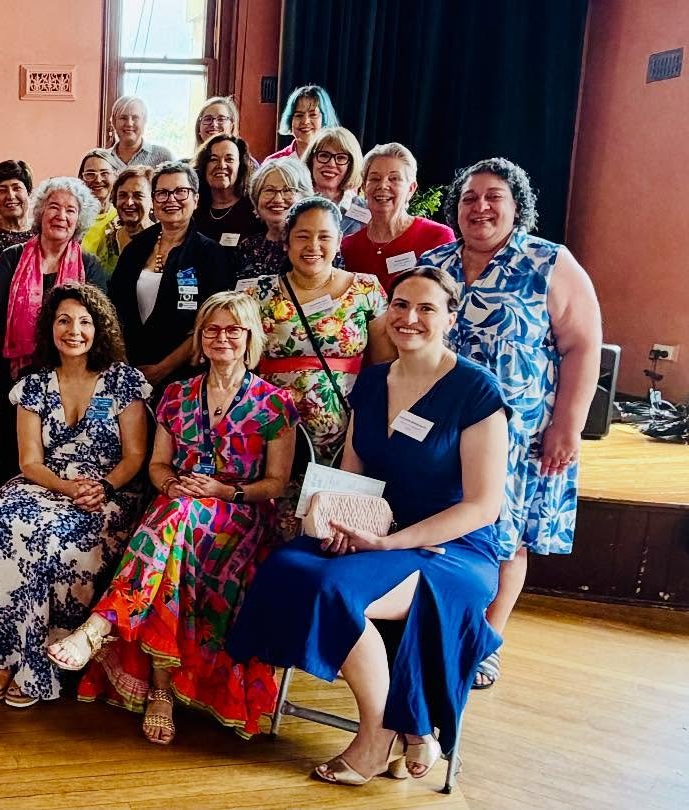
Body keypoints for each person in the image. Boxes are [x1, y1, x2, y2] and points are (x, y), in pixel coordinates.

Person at [226, 267, 511, 784]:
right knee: (288, 567)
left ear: (450, 317)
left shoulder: (475, 390)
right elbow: (354, 470)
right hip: (375, 528)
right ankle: (410, 728)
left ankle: (377, 734)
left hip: (451, 547)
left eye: (426, 308)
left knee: (332, 590)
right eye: (400, 305)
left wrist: (388, 542)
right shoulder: (375, 381)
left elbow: (483, 506)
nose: (409, 318)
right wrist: (335, 521)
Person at [48, 292, 298, 743]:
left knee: (172, 526)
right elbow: (158, 466)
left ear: (249, 338)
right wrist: (171, 486)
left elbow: (276, 483)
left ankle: (101, 627)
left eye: (232, 330)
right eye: (212, 329)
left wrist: (224, 490)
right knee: (175, 530)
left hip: (239, 514)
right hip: (179, 510)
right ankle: (159, 690)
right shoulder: (177, 394)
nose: (222, 337)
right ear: (200, 338)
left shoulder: (274, 402)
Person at [418, 157, 602, 690]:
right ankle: (434, 628)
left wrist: (568, 425)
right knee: (437, 530)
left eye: (493, 196)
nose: (480, 207)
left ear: (517, 205)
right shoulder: (435, 263)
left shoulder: (549, 262)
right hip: (437, 432)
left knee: (507, 538)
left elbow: (582, 345)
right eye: (470, 197)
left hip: (518, 436)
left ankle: (484, 642)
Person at [0, 284, 150, 707]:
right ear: (50, 328)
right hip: (45, 483)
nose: (74, 330)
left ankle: (37, 661)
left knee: (49, 541)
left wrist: (102, 487)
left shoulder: (124, 382)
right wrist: (66, 487)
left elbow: (135, 455)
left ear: (100, 328)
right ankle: (5, 654)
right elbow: (29, 462)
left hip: (109, 490)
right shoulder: (32, 385)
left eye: (84, 321)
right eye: (64, 320)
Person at [250, 197, 388, 466]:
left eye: (324, 237)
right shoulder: (258, 292)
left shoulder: (366, 289)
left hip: (346, 429)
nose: (313, 246)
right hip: (272, 426)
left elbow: (384, 366)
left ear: (338, 243)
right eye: (303, 236)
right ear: (286, 242)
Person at [108, 161, 233, 388]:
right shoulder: (136, 248)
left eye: (180, 192)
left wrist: (163, 368)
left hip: (184, 374)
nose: (171, 199)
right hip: (130, 368)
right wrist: (123, 361)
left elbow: (210, 321)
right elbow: (113, 306)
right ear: (154, 202)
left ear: (195, 199)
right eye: (162, 193)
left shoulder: (209, 253)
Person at [0, 177, 109, 378]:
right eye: (54, 207)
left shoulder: (89, 265)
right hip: (14, 374)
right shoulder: (12, 257)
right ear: (40, 213)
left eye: (70, 210)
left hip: (72, 374)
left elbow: (100, 327)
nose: (61, 215)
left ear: (79, 221)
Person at [341, 143, 455, 289]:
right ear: (364, 187)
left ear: (411, 189)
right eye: (375, 178)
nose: (383, 185)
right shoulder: (349, 246)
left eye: (394, 178)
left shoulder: (438, 238)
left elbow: (448, 299)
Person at [234, 158, 314, 281]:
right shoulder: (246, 248)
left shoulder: (316, 247)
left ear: (304, 197)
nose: (277, 199)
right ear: (256, 198)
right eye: (269, 190)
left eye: (287, 190)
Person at [192, 135, 264, 248]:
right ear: (204, 166)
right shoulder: (193, 208)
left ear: (240, 166)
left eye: (229, 159)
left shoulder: (255, 209)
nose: (221, 165)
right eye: (213, 159)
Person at [80, 165, 152, 277]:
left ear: (153, 200)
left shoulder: (163, 241)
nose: (129, 203)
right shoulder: (107, 241)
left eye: (138, 195)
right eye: (122, 195)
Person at [305, 127, 370, 237]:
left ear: (351, 165)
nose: (331, 164)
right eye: (324, 155)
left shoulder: (364, 210)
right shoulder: (294, 201)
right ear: (311, 159)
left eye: (341, 158)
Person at [266, 85, 339, 161]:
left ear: (325, 118)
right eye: (299, 115)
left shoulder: (335, 161)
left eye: (313, 115)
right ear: (290, 120)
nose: (305, 121)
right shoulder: (274, 162)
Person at [0, 159, 35, 257]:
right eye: (3, 190)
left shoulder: (43, 235)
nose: (10, 196)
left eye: (17, 188)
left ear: (29, 192)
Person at [108, 95, 175, 167]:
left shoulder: (164, 158)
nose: (129, 123)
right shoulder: (103, 159)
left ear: (144, 121)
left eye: (135, 118)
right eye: (123, 118)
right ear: (114, 122)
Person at [77, 149, 125, 218]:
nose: (98, 180)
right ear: (81, 178)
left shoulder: (122, 216)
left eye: (104, 173)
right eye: (90, 174)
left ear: (115, 176)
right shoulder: (73, 216)